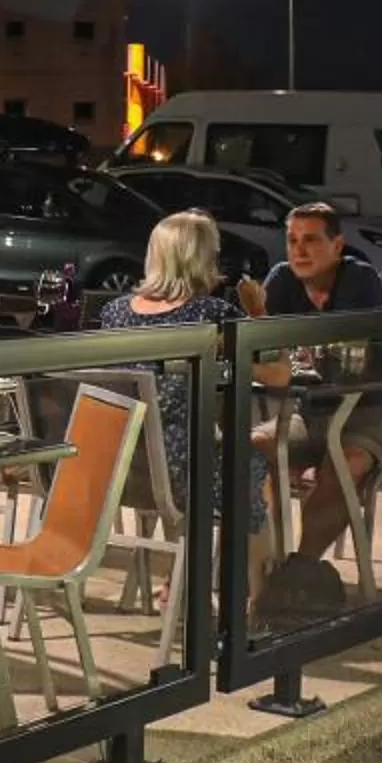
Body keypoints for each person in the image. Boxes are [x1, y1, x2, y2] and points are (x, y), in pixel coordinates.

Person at [94, 211, 270, 585]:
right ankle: (254, 597)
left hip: (115, 466)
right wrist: (257, 311)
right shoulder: (212, 315)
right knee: (253, 464)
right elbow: (279, 373)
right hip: (178, 473)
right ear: (205, 258)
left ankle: (182, 581)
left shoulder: (113, 313)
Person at [257, 201, 382, 623]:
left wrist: (296, 357)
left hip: (376, 413)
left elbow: (358, 354)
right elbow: (264, 346)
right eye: (292, 240)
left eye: (311, 240)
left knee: (344, 462)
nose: (299, 250)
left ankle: (299, 570)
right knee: (252, 448)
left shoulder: (359, 280)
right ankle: (258, 562)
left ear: (337, 245)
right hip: (313, 413)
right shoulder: (281, 280)